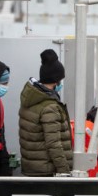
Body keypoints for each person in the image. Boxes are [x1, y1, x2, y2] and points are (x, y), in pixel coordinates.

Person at [19, 48, 73, 176]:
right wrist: (65, 172)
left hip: (33, 168)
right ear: (56, 81)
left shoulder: (31, 98)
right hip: (47, 172)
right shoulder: (50, 107)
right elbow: (53, 143)